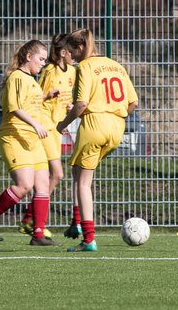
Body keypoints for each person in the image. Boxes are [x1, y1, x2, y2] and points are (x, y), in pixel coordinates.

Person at [56, 29, 138, 252]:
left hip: (94, 125)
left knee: (83, 182)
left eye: (72, 51)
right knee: (78, 170)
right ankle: (76, 223)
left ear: (80, 48)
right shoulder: (116, 65)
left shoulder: (83, 67)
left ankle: (88, 238)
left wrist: (62, 125)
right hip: (117, 126)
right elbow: (133, 103)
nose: (70, 56)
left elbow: (81, 105)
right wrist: (113, 114)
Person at [0, 39, 56, 246]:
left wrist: (46, 97)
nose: (43, 63)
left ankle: (38, 234)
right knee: (24, 185)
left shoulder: (31, 79)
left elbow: (30, 104)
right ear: (28, 57)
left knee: (43, 185)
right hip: (14, 137)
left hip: (32, 139)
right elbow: (14, 107)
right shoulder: (16, 77)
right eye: (41, 59)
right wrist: (35, 124)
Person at [21, 33, 79, 238]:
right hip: (45, 126)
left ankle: (30, 220)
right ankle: (30, 220)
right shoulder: (50, 72)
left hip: (56, 126)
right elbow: (39, 99)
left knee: (52, 175)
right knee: (57, 174)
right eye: (73, 51)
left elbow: (63, 99)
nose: (76, 55)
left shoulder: (71, 71)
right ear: (63, 53)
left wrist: (66, 111)